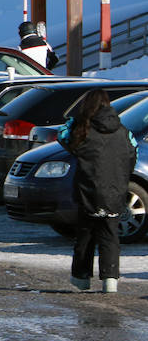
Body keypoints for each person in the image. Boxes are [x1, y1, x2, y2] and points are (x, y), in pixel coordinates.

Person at [59, 89, 134, 293]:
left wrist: (74, 121)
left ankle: (81, 278)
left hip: (88, 190)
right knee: (110, 235)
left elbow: (62, 137)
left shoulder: (82, 129)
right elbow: (132, 153)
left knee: (86, 234)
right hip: (115, 190)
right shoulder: (122, 130)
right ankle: (110, 280)